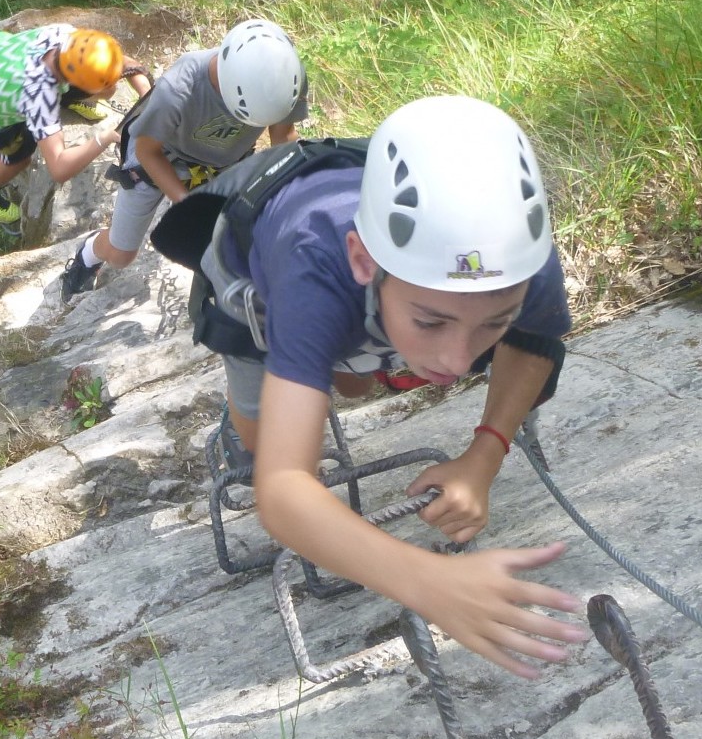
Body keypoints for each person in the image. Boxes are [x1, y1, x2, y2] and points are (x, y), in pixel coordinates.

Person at [160, 95, 586, 679]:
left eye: (494, 321)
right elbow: (282, 493)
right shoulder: (315, 268)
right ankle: (261, 421)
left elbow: (536, 340)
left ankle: (352, 363)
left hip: (360, 294)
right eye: (433, 321)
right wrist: (427, 581)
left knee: (355, 376)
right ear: (365, 260)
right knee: (268, 439)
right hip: (260, 292)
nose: (459, 361)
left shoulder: (514, 261)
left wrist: (484, 456)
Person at [59, 18, 309, 306]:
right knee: (121, 254)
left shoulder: (284, 78)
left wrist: (293, 195)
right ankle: (89, 253)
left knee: (232, 240)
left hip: (225, 161)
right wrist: (187, 203)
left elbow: (283, 137)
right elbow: (146, 151)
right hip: (161, 157)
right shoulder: (180, 88)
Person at [0, 24, 151, 226]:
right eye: (106, 83)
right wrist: (104, 138)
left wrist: (147, 97)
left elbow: (122, 63)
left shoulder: (67, 38)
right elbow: (59, 168)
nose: (113, 87)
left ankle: (70, 98)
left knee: (93, 89)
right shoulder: (39, 94)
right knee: (19, 156)